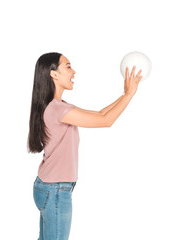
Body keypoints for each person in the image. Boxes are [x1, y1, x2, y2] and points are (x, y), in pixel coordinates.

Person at [28, 52, 142, 240]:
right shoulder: (58, 109)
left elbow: (100, 113)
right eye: (68, 66)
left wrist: (124, 94)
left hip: (50, 187)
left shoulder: (58, 106)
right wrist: (129, 95)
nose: (73, 71)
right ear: (53, 74)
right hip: (55, 189)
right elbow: (106, 121)